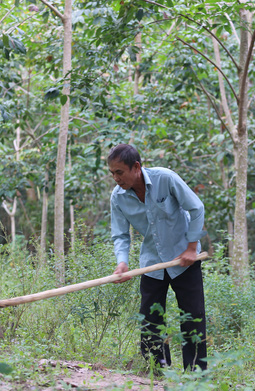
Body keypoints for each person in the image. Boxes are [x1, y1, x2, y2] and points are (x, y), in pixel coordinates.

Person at [108, 143, 207, 371]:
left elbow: (197, 208)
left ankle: (195, 373)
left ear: (136, 167)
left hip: (185, 260)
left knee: (192, 317)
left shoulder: (166, 178)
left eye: (119, 172)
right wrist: (121, 262)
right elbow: (121, 235)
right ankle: (157, 369)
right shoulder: (118, 198)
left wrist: (192, 247)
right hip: (152, 263)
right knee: (150, 319)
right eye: (112, 173)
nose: (115, 178)